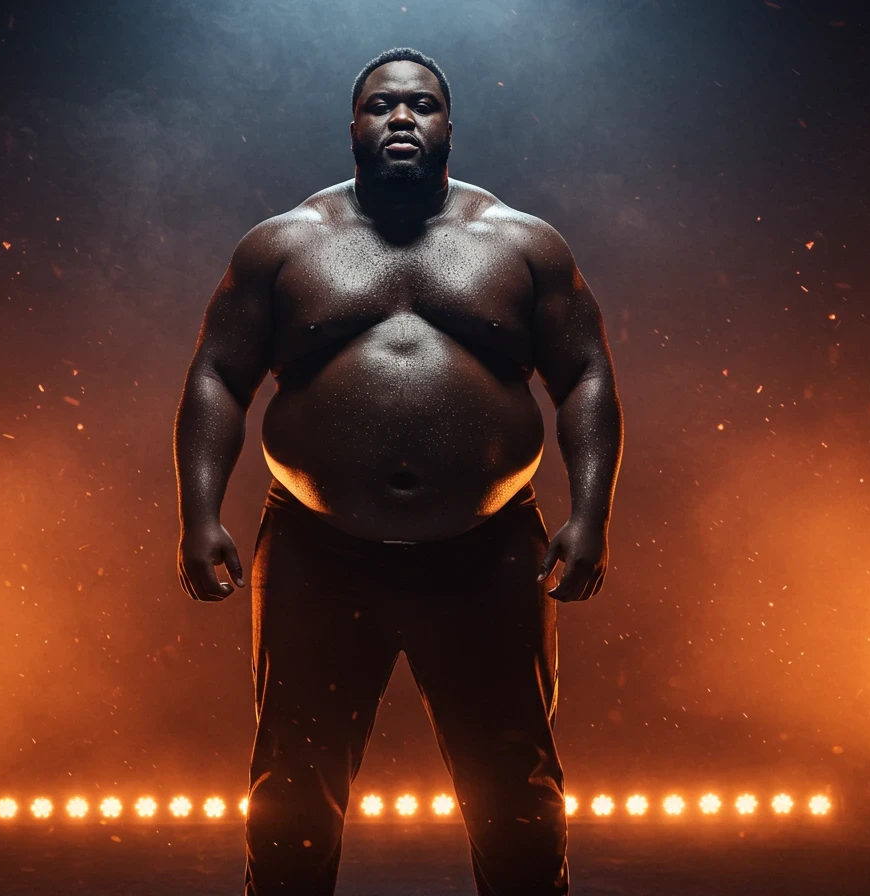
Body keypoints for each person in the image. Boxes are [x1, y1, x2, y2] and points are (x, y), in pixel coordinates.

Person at [174, 46, 623, 896]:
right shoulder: (284, 245)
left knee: (517, 793)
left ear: (450, 125)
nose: (403, 118)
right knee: (291, 793)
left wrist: (591, 513)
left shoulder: (522, 243)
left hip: (487, 552)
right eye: (382, 106)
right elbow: (218, 378)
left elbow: (586, 376)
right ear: (353, 126)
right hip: (318, 553)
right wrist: (199, 514)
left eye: (422, 104)